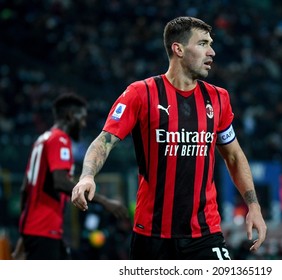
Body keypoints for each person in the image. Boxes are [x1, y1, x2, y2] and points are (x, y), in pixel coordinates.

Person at [72, 16, 267, 260]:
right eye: (203, 43)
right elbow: (105, 140)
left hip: (204, 233)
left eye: (211, 44)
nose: (212, 52)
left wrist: (254, 206)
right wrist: (87, 176)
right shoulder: (140, 94)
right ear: (178, 49)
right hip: (151, 235)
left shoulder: (218, 99)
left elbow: (234, 156)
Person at [15, 93, 129, 260]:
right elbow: (60, 182)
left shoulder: (42, 140)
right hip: (45, 229)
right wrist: (105, 202)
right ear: (70, 116)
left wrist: (24, 234)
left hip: (35, 229)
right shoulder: (60, 140)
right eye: (81, 118)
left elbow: (25, 188)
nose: (83, 124)